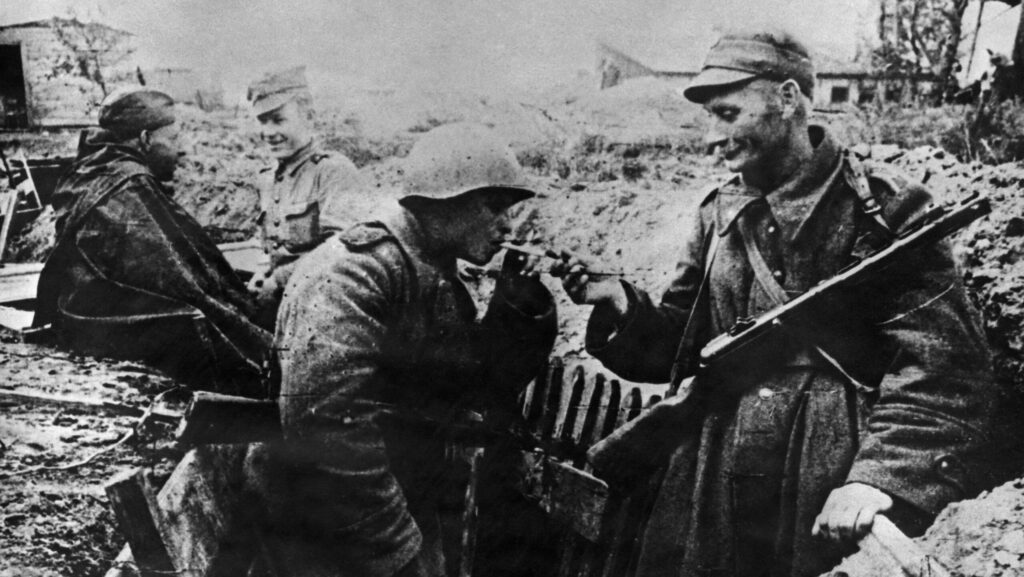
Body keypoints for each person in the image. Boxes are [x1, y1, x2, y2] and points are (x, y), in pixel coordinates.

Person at [557, 29, 998, 577]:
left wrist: (876, 479)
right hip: (712, 479)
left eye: (726, 113)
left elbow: (944, 370)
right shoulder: (718, 214)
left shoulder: (883, 211)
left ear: (787, 98)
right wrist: (622, 303)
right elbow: (686, 345)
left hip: (826, 478)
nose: (710, 138)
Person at [245, 123, 558, 577]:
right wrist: (398, 552)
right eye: (494, 207)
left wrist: (520, 300)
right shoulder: (355, 275)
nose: (508, 225)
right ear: (442, 201)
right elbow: (327, 429)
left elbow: (476, 387)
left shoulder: (429, 268)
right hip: (324, 525)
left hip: (390, 503)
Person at [34, 88, 271, 394]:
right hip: (108, 326)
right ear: (145, 139)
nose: (180, 150)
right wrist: (247, 324)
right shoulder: (131, 187)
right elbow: (176, 282)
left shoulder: (89, 169)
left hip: (79, 316)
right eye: (173, 140)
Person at [245, 66, 364, 325]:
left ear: (308, 116)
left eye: (278, 120)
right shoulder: (267, 178)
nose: (268, 132)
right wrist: (263, 272)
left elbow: (343, 251)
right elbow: (270, 247)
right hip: (283, 310)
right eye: (262, 121)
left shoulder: (332, 171)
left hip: (326, 311)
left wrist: (279, 280)